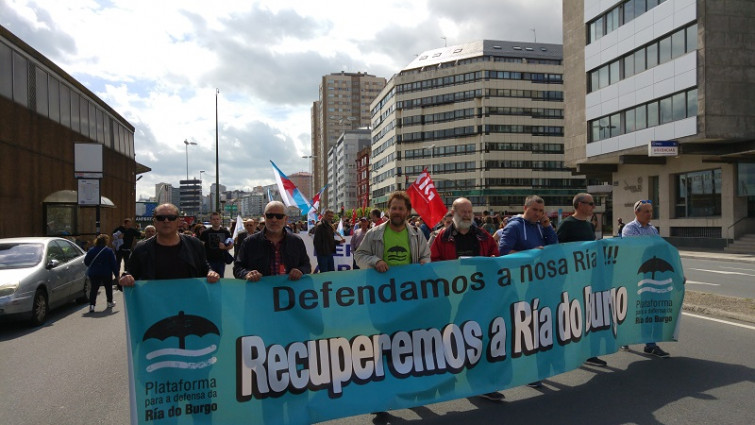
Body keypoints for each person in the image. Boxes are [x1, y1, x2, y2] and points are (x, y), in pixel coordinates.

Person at [428, 197, 502, 401]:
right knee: (450, 340)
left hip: (477, 298)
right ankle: (447, 380)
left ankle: (481, 384)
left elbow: (495, 255)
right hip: (450, 299)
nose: (468, 215)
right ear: (453, 214)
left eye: (470, 212)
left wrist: (494, 260)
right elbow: (433, 264)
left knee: (478, 340)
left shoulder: (483, 236)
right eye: (463, 212)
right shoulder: (441, 238)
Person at [498, 195, 558, 387]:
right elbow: (503, 252)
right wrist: (530, 254)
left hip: (537, 284)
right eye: (534, 210)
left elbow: (554, 246)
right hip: (517, 285)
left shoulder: (541, 226)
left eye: (541, 211)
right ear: (525, 207)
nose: (538, 214)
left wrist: (548, 226)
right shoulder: (514, 227)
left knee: (536, 328)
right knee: (523, 330)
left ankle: (533, 369)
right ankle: (525, 372)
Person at [556, 192, 608, 367]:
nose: (593, 207)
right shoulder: (567, 225)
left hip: (588, 278)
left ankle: (589, 353)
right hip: (572, 279)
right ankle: (570, 351)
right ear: (579, 205)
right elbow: (557, 250)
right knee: (573, 316)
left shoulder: (588, 226)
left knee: (589, 315)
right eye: (591, 203)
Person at [119, 203, 219, 287]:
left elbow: (205, 268)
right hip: (156, 306)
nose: (166, 221)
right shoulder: (141, 249)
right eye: (160, 217)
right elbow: (129, 273)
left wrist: (211, 273)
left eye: (171, 217)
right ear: (154, 221)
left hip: (189, 305)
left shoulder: (194, 244)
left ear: (178, 221)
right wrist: (125, 278)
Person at [621, 199, 670, 358]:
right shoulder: (629, 228)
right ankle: (625, 335)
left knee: (649, 308)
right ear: (637, 212)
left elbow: (660, 249)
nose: (650, 214)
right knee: (632, 308)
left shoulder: (653, 229)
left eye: (651, 211)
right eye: (646, 211)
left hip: (650, 275)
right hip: (634, 275)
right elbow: (636, 249)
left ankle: (650, 344)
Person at [234, 201, 311, 282]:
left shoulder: (296, 241)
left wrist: (300, 271)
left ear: (286, 219)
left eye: (279, 216)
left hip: (289, 291)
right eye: (270, 216)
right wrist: (246, 274)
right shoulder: (249, 242)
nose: (274, 220)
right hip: (259, 292)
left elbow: (306, 266)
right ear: (264, 217)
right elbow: (238, 268)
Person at [354, 191, 431, 271]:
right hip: (382, 283)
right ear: (388, 210)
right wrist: (375, 261)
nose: (397, 212)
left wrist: (424, 261)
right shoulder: (373, 233)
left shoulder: (417, 234)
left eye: (401, 209)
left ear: (408, 212)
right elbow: (359, 256)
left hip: (408, 282)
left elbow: (426, 256)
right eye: (394, 208)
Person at [84, 233, 119, 313]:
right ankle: (110, 302)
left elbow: (86, 262)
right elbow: (113, 264)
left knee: (94, 289)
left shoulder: (91, 250)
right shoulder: (109, 251)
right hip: (106, 272)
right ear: (106, 241)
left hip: (94, 273)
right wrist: (117, 275)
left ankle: (92, 305)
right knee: (108, 288)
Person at [199, 211, 233, 277]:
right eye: (214, 219)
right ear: (210, 221)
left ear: (220, 220)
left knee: (220, 278)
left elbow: (231, 245)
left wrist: (224, 247)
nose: (216, 221)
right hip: (209, 260)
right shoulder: (205, 233)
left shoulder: (226, 232)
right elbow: (201, 247)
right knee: (209, 279)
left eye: (217, 219)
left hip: (221, 260)